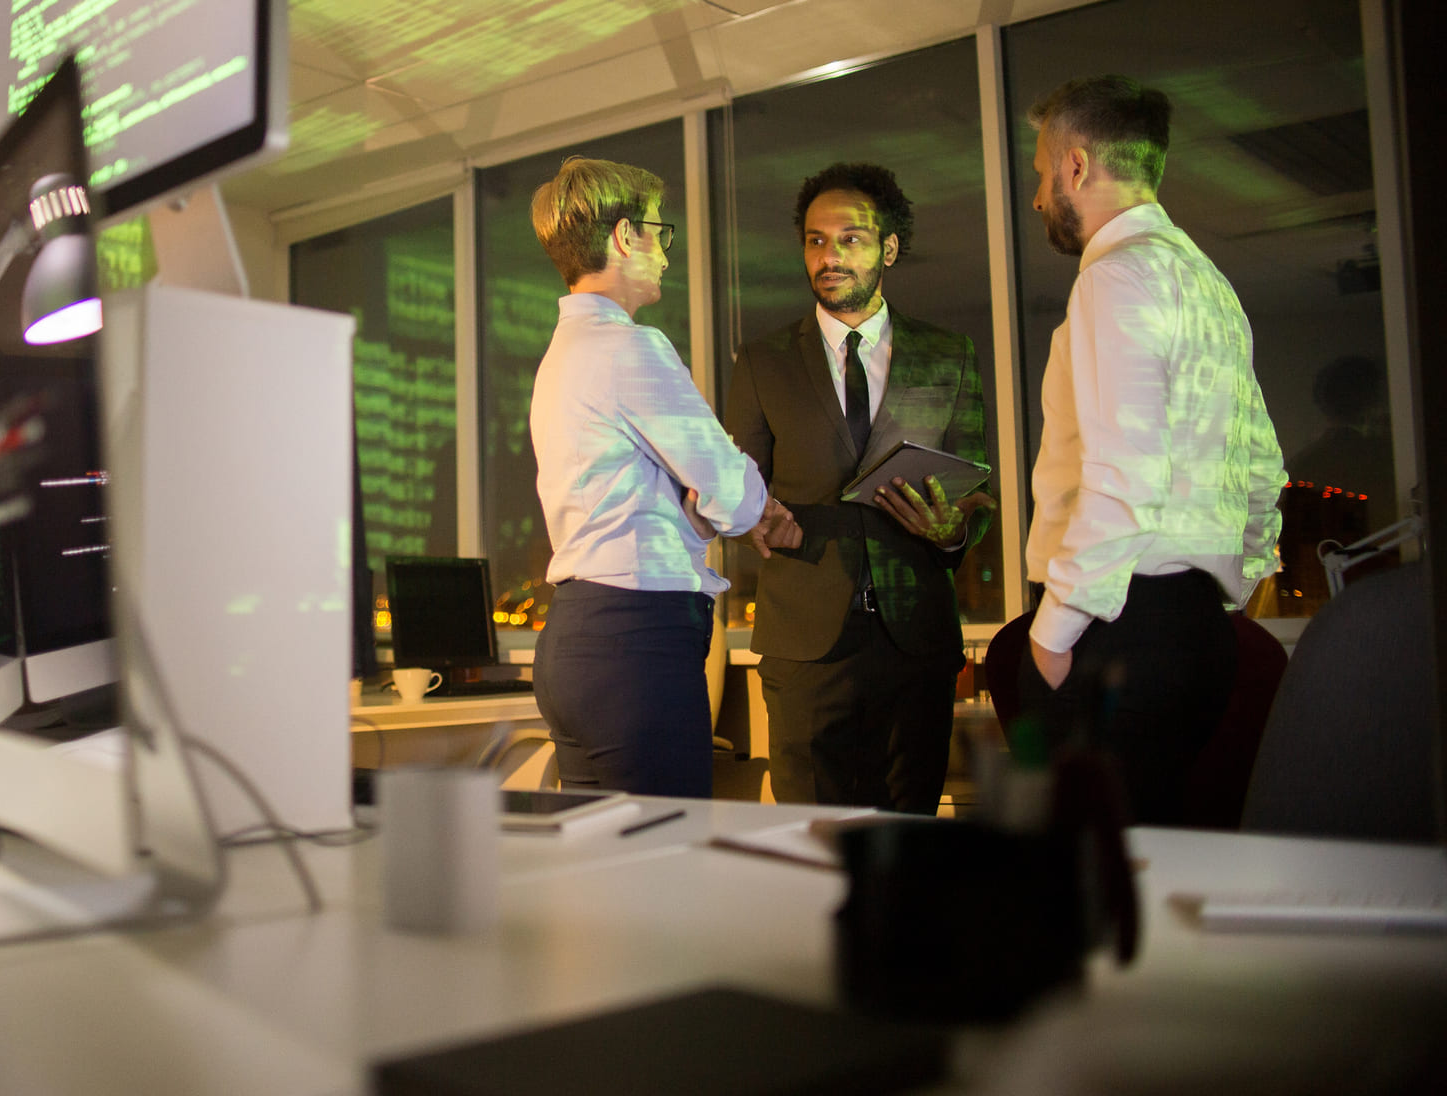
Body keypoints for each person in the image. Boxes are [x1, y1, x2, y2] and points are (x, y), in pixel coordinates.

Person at [1022, 75, 1286, 825]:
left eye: (1042, 173)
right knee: (1161, 865)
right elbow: (1260, 462)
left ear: (1076, 166)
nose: (1040, 196)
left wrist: (1051, 634)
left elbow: (1122, 478)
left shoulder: (1115, 277)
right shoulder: (1208, 282)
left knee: (1091, 885)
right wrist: (1235, 581)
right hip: (1197, 633)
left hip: (1119, 633)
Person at [723, 162, 992, 814]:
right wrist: (753, 518)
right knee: (812, 845)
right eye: (816, 240)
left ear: (889, 249)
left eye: (849, 238)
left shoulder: (947, 354)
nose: (829, 255)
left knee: (909, 842)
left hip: (915, 641)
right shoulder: (763, 362)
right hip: (805, 645)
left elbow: (977, 493)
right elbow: (736, 488)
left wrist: (952, 529)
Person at [528, 156, 800, 797]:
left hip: (575, 640)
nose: (666, 253)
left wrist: (702, 504)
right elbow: (730, 491)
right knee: (665, 870)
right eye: (659, 232)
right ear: (625, 237)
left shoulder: (560, 357)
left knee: (606, 879)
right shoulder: (631, 347)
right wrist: (753, 504)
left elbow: (646, 498)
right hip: (636, 646)